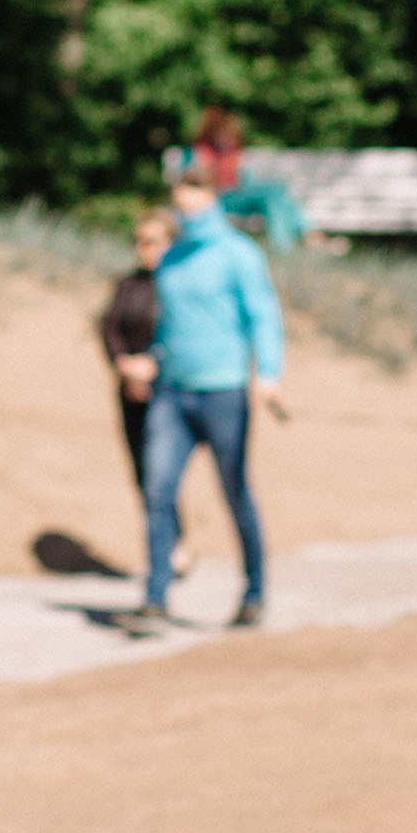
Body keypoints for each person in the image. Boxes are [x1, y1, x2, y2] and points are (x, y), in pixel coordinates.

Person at [133, 174, 283, 630]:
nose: (187, 208)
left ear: (213, 198)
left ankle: (254, 590)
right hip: (172, 394)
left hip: (224, 392)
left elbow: (263, 314)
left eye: (195, 198)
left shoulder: (238, 253)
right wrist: (151, 360)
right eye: (180, 199)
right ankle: (155, 594)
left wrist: (269, 373)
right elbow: (169, 322)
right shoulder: (171, 257)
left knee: (235, 492)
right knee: (157, 490)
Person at [99, 208, 177, 496]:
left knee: (163, 473)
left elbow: (183, 333)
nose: (144, 248)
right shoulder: (127, 284)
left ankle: (172, 537)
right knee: (142, 473)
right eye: (140, 240)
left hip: (168, 390)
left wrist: (154, 365)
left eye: (153, 240)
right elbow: (109, 329)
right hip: (130, 390)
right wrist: (125, 365)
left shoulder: (179, 286)